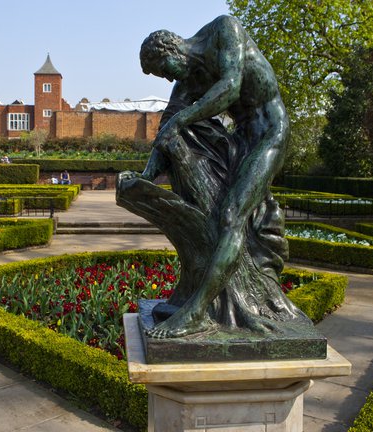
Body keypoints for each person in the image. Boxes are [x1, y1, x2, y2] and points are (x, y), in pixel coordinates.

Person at [126, 15, 292, 339]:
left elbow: (230, 88)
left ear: (172, 50)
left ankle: (197, 313)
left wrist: (181, 120)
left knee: (231, 216)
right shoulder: (189, 79)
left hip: (270, 135)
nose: (167, 79)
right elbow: (168, 123)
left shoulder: (222, 32)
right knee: (217, 214)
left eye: (164, 71)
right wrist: (147, 174)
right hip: (241, 142)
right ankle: (202, 297)